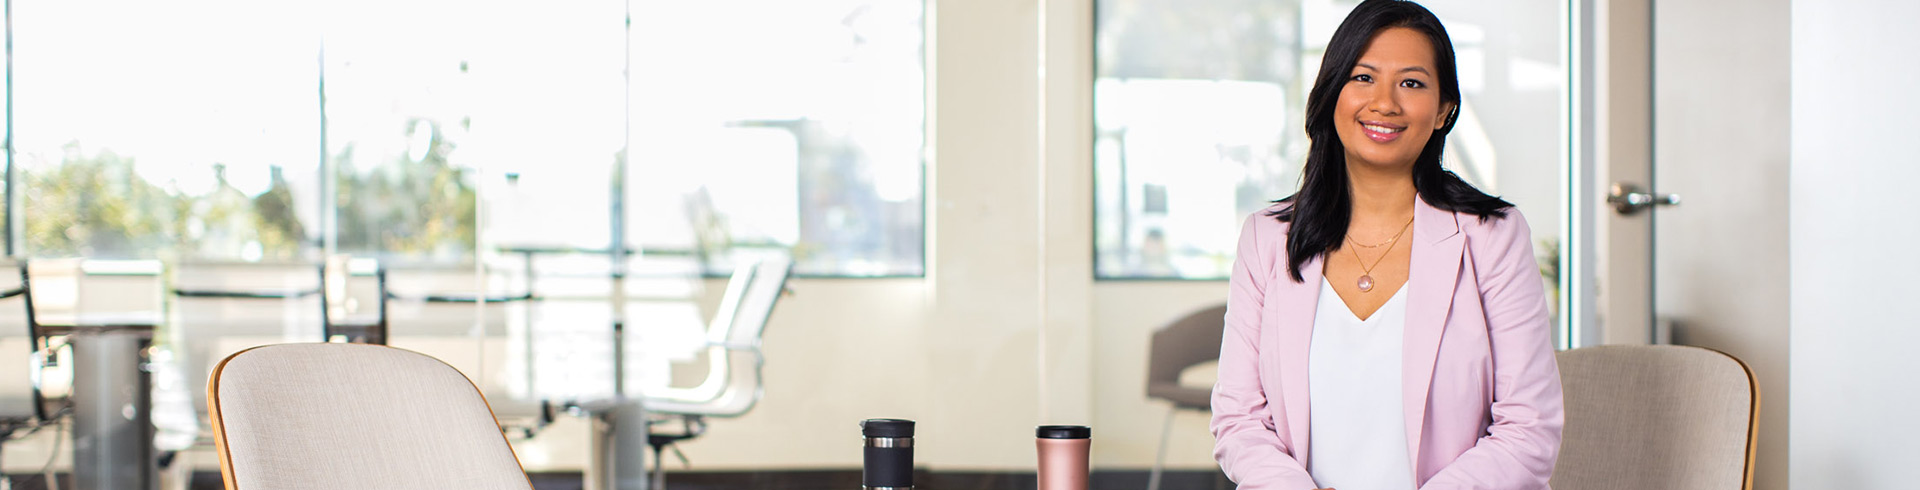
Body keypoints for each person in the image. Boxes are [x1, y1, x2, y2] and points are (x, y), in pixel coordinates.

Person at [1208, 1, 1563, 489]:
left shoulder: (1493, 236)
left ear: (1444, 110)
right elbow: (1238, 418)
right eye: (1363, 77)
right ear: (1333, 93)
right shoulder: (1267, 237)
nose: (1385, 103)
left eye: (1412, 83)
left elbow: (1529, 429)